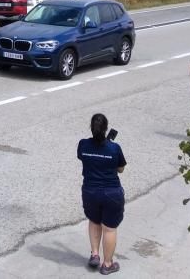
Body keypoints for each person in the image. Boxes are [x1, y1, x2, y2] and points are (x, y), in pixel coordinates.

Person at [78, 113, 126, 275]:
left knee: (94, 220)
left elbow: (83, 158)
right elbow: (120, 169)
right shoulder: (114, 148)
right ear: (106, 129)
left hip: (90, 191)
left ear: (91, 129)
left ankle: (95, 254)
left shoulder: (83, 145)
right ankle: (107, 264)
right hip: (111, 193)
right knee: (110, 229)